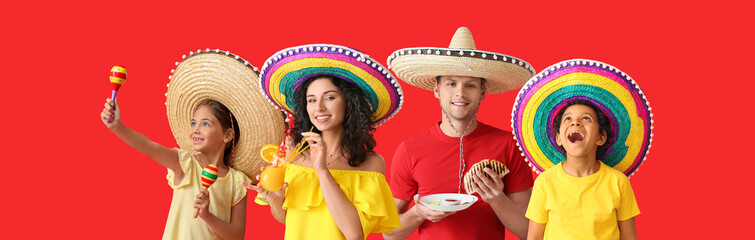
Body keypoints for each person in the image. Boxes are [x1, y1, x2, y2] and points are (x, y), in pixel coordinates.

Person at [100, 50, 284, 240]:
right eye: (193, 123)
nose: (196, 129)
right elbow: (148, 146)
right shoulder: (184, 164)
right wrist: (117, 127)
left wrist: (207, 215)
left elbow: (236, 236)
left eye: (206, 124)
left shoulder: (238, 181)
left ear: (228, 135)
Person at [384, 27, 536, 240]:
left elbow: (529, 232)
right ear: (436, 89)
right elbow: (390, 234)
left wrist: (497, 199)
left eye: (470, 85)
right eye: (451, 83)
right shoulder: (409, 150)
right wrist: (418, 213)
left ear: (482, 92)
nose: (460, 93)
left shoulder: (507, 145)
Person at [246, 44, 403, 240]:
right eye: (311, 100)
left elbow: (354, 233)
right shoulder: (293, 153)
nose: (319, 108)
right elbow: (288, 219)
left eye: (329, 97)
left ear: (349, 102)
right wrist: (277, 201)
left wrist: (321, 169)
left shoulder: (372, 163)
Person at [510, 59, 653, 240]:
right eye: (568, 119)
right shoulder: (545, 183)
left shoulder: (618, 182)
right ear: (559, 138)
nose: (575, 122)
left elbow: (629, 237)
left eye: (586, 119)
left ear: (601, 138)